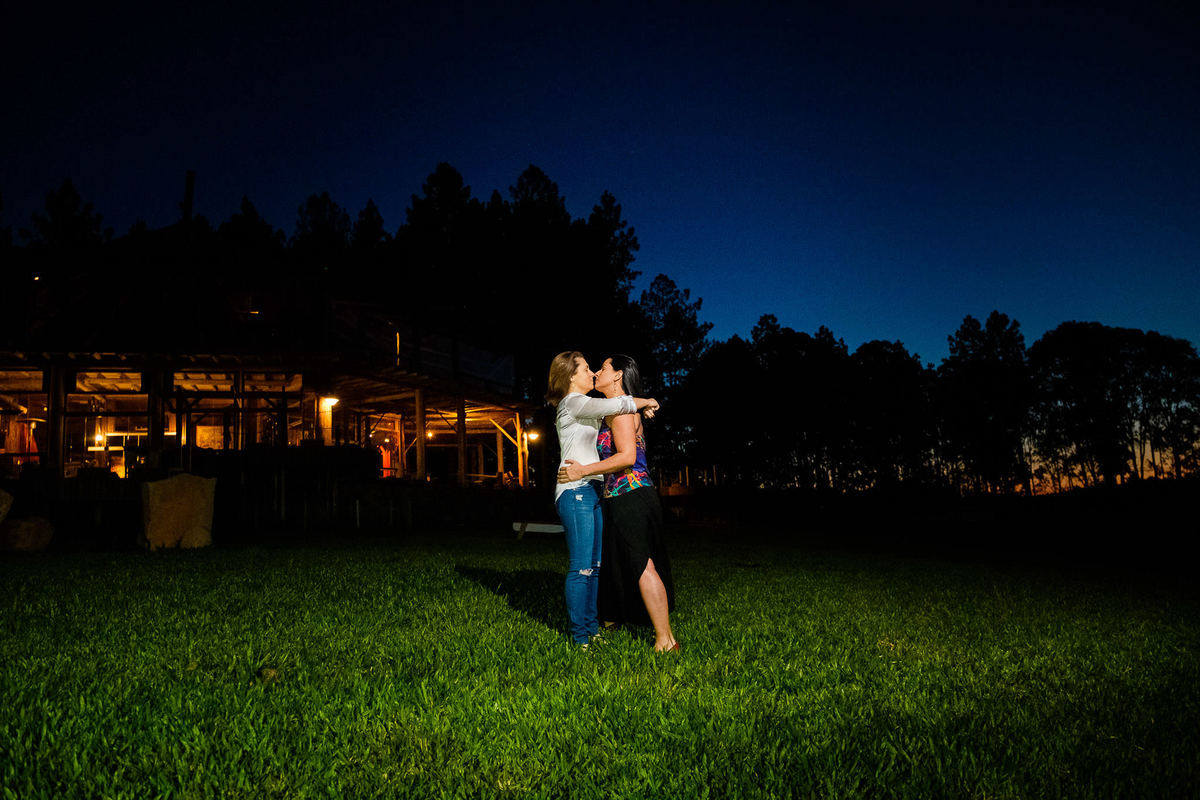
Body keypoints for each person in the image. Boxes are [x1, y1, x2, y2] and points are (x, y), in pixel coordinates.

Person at [559, 355, 678, 653]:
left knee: (641, 562)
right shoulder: (616, 409)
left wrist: (582, 471)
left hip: (631, 495)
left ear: (618, 376)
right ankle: (614, 618)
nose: (597, 372)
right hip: (620, 496)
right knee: (618, 561)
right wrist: (646, 402)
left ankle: (665, 639)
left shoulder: (621, 412)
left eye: (603, 368)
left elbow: (626, 457)